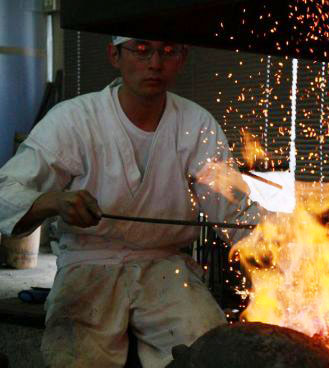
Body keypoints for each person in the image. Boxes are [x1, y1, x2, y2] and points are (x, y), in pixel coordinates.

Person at [0, 36, 266, 367]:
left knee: (208, 351)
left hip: (166, 268)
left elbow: (235, 213)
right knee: (74, 357)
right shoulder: (74, 119)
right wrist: (55, 201)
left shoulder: (196, 125)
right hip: (88, 265)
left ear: (182, 58)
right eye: (141, 50)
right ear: (115, 54)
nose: (155, 63)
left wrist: (287, 240)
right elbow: (6, 192)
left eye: (168, 50)